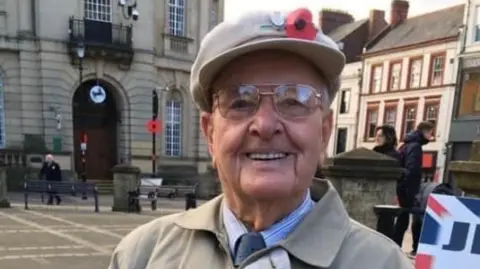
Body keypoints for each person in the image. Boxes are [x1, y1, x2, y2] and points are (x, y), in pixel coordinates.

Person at [108, 9, 412, 269]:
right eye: (240, 101)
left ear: (324, 132)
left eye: (294, 100)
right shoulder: (142, 256)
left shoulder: (385, 263)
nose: (265, 125)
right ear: (210, 134)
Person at [392, 121, 434, 255]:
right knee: (406, 219)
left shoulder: (406, 144)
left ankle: (397, 246)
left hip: (403, 187)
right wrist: (410, 189)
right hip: (408, 189)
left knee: (402, 219)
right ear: (425, 132)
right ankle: (399, 247)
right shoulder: (415, 147)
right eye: (430, 133)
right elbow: (412, 169)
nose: (431, 136)